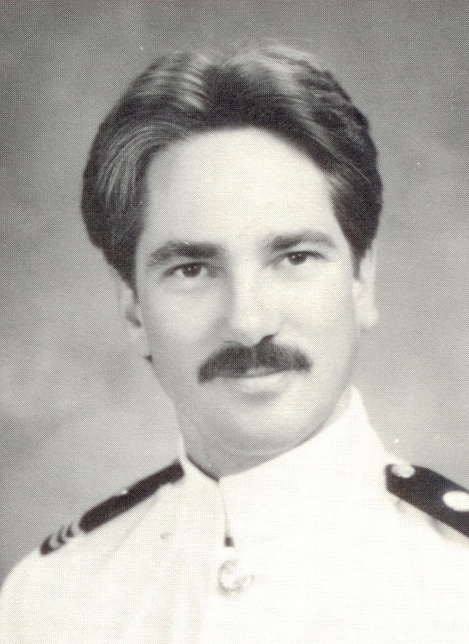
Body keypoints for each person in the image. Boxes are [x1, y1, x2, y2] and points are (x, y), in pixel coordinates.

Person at [1, 45, 469, 644]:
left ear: (362, 281)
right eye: (192, 269)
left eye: (294, 257)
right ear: (134, 309)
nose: (248, 323)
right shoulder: (51, 602)